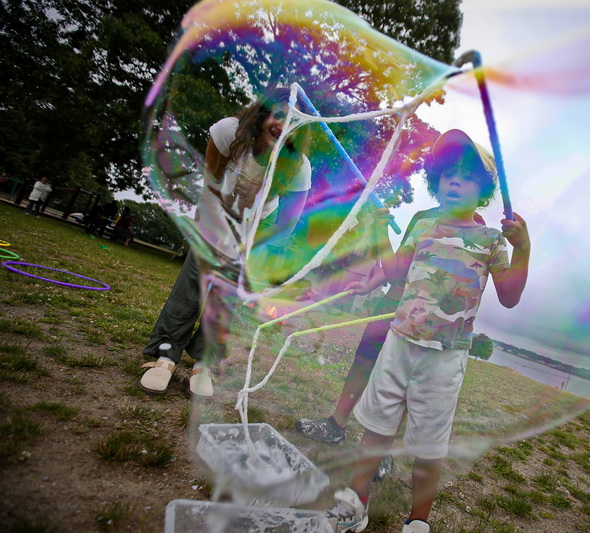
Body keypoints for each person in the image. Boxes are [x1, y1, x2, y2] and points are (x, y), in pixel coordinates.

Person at [326, 130, 530, 533]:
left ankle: (418, 522)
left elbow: (510, 297)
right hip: (398, 342)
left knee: (428, 447)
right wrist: (381, 232)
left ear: (485, 190)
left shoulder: (491, 240)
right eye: (447, 174)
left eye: (466, 176)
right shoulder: (424, 225)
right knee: (376, 430)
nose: (454, 181)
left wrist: (524, 248)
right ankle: (356, 502)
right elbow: (395, 274)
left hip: (445, 356)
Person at [140, 87, 312, 399]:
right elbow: (212, 181)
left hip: (254, 230)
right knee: (192, 283)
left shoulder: (298, 165)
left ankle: (203, 364)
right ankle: (165, 356)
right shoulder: (227, 132)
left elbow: (287, 222)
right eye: (279, 115)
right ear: (263, 113)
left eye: (293, 123)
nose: (283, 125)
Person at [295, 207, 486, 481]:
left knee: (401, 379)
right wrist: (370, 284)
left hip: (423, 316)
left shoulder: (476, 226)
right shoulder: (423, 217)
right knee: (364, 360)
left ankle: (382, 449)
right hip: (393, 300)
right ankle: (336, 424)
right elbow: (399, 264)